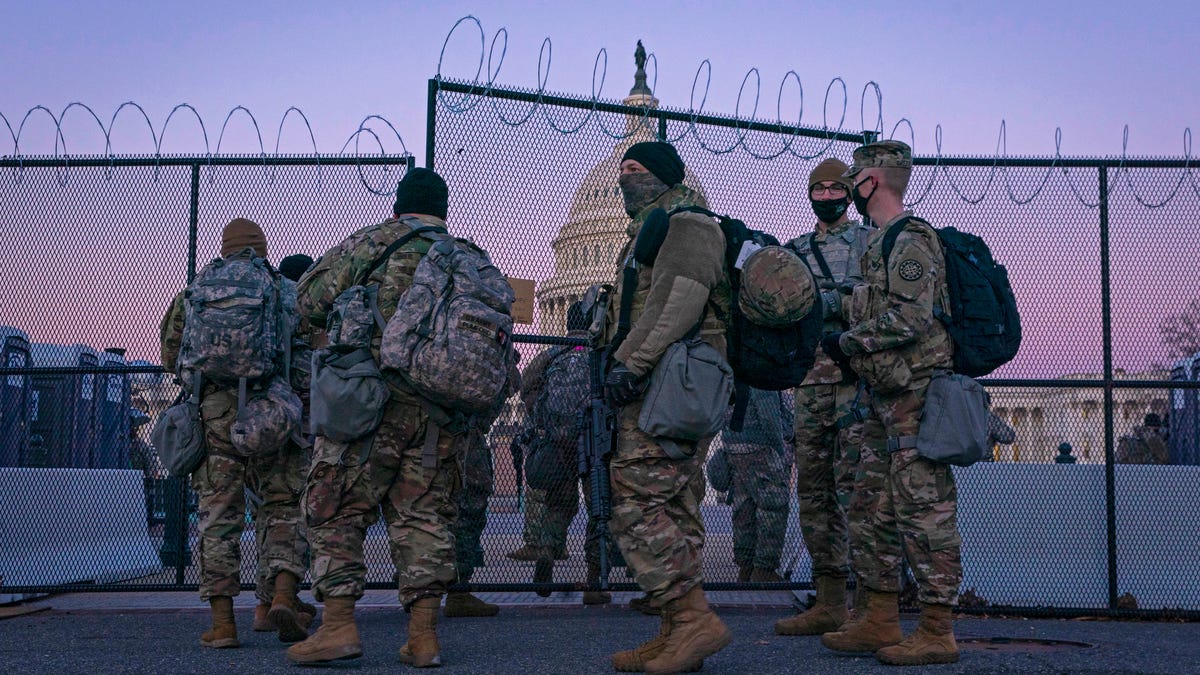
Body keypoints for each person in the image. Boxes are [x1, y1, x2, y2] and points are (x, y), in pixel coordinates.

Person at [286, 168, 476, 667]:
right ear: (444, 210)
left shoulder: (375, 241)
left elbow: (306, 301)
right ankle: (422, 636)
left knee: (334, 505)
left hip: (366, 401)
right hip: (438, 409)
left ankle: (339, 626)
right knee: (424, 517)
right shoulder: (463, 256)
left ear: (398, 207)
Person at [819, 140, 963, 665]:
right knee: (870, 508)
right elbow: (874, 304)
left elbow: (912, 317)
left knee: (924, 511)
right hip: (885, 396)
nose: (850, 186)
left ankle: (936, 628)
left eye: (854, 176)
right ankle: (877, 616)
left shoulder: (911, 240)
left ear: (871, 181)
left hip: (916, 395)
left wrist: (848, 342)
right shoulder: (882, 242)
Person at [599, 140, 732, 673]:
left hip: (668, 382)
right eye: (623, 169)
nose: (625, 179)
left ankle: (692, 617)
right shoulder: (650, 229)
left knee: (633, 500)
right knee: (673, 503)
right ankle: (676, 628)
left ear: (662, 176)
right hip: (659, 379)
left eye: (636, 170)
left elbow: (679, 299)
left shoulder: (689, 222)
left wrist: (630, 363)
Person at [159, 218, 308, 649]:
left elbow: (172, 355)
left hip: (213, 413)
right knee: (282, 505)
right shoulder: (284, 290)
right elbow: (307, 355)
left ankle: (223, 623)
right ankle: (281, 596)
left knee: (218, 517)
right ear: (263, 248)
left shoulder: (196, 291)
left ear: (224, 248)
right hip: (272, 411)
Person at [776, 157, 883, 637]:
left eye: (833, 188)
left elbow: (884, 300)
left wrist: (835, 302)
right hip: (809, 384)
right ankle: (829, 600)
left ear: (848, 193)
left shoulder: (870, 242)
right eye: (816, 190)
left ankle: (870, 606)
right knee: (814, 495)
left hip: (856, 381)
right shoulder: (794, 250)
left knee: (859, 493)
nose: (825, 197)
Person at [513, 299, 614, 605]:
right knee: (599, 507)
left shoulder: (553, 351)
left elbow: (526, 386)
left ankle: (546, 548)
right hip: (593, 438)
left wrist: (543, 416)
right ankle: (596, 580)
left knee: (560, 504)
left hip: (559, 439)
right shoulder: (601, 354)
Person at [250, 252, 316, 639]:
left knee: (266, 511)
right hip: (299, 425)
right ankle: (283, 597)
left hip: (258, 420)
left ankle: (262, 605)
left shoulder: (264, 305)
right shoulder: (304, 307)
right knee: (293, 511)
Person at [717, 386, 794, 583]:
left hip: (734, 447)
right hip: (761, 448)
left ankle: (746, 567)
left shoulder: (733, 367)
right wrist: (779, 447)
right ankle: (763, 570)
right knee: (772, 508)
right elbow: (769, 414)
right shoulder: (760, 372)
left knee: (743, 509)